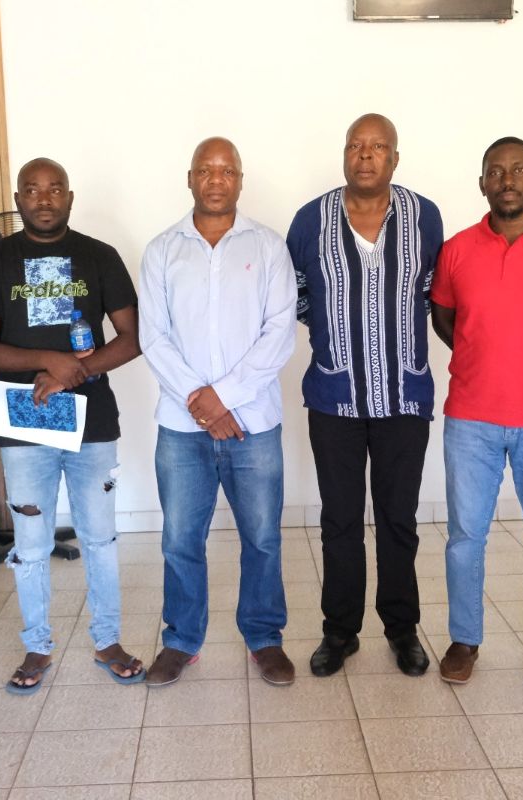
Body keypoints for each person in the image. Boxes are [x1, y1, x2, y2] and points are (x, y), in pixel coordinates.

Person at [0, 158, 144, 694]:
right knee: (30, 541)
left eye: (54, 189)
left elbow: (133, 337)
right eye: (32, 189)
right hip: (26, 421)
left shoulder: (99, 256)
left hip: (92, 422)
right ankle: (37, 645)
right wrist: (51, 360)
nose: (44, 198)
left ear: (70, 197)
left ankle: (107, 640)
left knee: (100, 538)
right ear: (17, 198)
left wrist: (75, 372)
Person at [287, 113, 444, 678]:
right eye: (356, 145)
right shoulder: (310, 219)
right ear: (344, 155)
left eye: (378, 146)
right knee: (340, 520)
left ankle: (402, 629)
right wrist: (339, 333)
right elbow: (295, 295)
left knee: (399, 519)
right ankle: (340, 631)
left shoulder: (424, 216)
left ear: (395, 158)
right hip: (336, 398)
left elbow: (435, 292)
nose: (366, 155)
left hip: (405, 397)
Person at [139, 137, 297, 687]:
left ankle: (264, 636)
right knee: (180, 540)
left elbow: (280, 333)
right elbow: (152, 337)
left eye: (226, 171)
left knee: (263, 537)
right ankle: (181, 640)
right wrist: (203, 404)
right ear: (190, 178)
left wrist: (223, 397)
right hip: (181, 429)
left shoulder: (269, 247)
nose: (215, 180)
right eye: (205, 170)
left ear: (239, 180)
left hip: (253, 425)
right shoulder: (162, 250)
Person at [431, 137, 523, 688]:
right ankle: (464, 639)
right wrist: (479, 353)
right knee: (464, 537)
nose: (508, 180)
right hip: (471, 417)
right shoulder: (457, 249)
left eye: (518, 170)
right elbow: (443, 316)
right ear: (482, 184)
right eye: (496, 171)